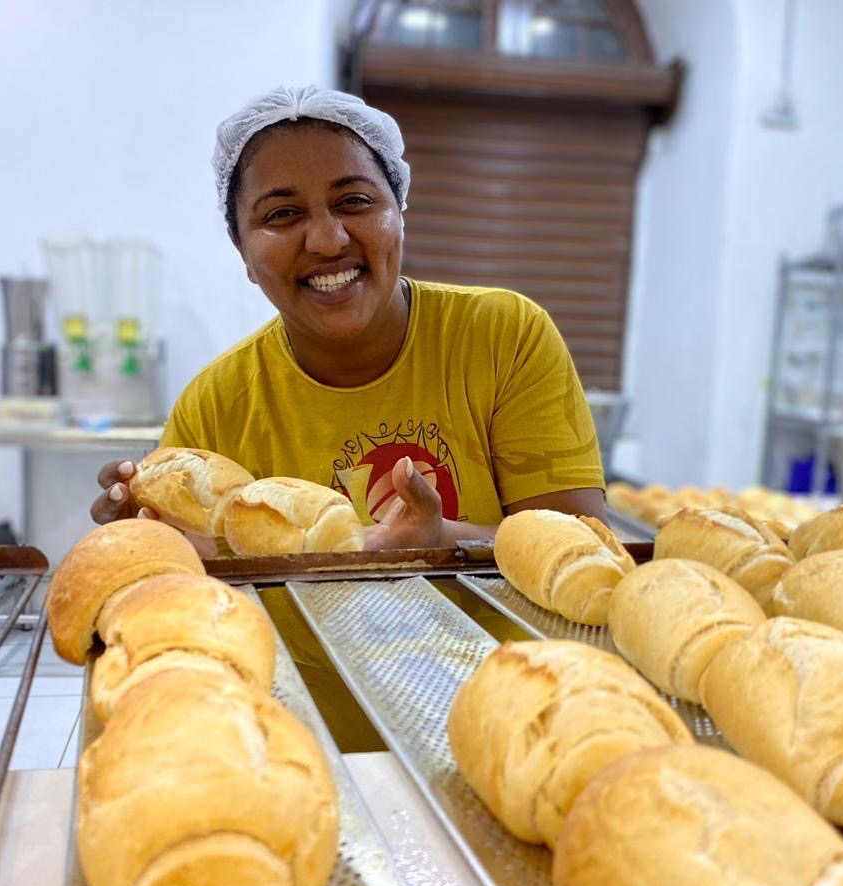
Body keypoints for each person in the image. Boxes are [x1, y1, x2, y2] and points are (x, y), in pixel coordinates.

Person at [90, 85, 606, 550]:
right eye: (281, 215)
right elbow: (203, 573)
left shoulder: (503, 338)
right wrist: (153, 537)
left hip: (493, 658)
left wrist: (441, 538)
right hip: (296, 661)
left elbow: (581, 543)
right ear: (242, 251)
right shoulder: (215, 408)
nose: (328, 240)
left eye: (354, 201)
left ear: (399, 211)